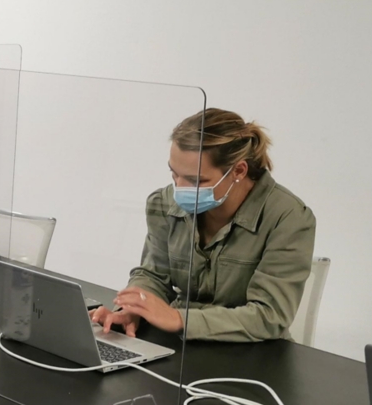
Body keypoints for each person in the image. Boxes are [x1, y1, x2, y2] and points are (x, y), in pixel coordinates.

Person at [90, 109, 316, 343]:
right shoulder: (162, 203)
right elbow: (154, 275)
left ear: (238, 171)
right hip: (180, 344)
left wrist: (179, 319)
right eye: (174, 174)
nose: (180, 188)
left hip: (255, 353)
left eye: (196, 180)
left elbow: (269, 316)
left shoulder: (288, 218)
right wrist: (132, 310)